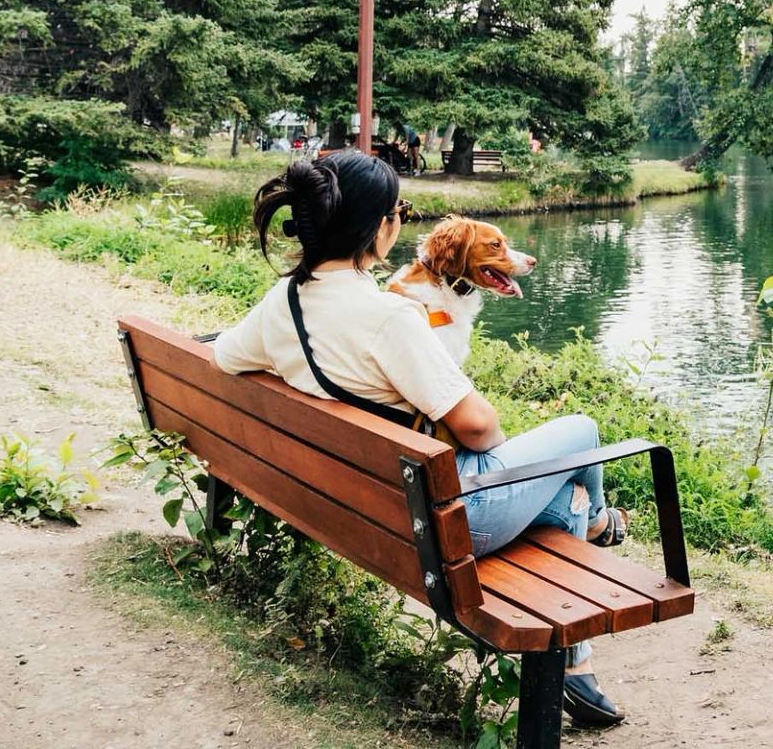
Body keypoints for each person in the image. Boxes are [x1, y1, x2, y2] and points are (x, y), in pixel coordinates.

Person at [211, 151, 628, 727]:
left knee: (559, 495)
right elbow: (481, 430)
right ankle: (598, 545)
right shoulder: (389, 317)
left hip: (352, 504)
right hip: (439, 523)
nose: (400, 221)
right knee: (581, 431)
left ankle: (575, 662)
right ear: (380, 226)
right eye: (398, 210)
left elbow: (223, 357)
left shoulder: (281, 301)